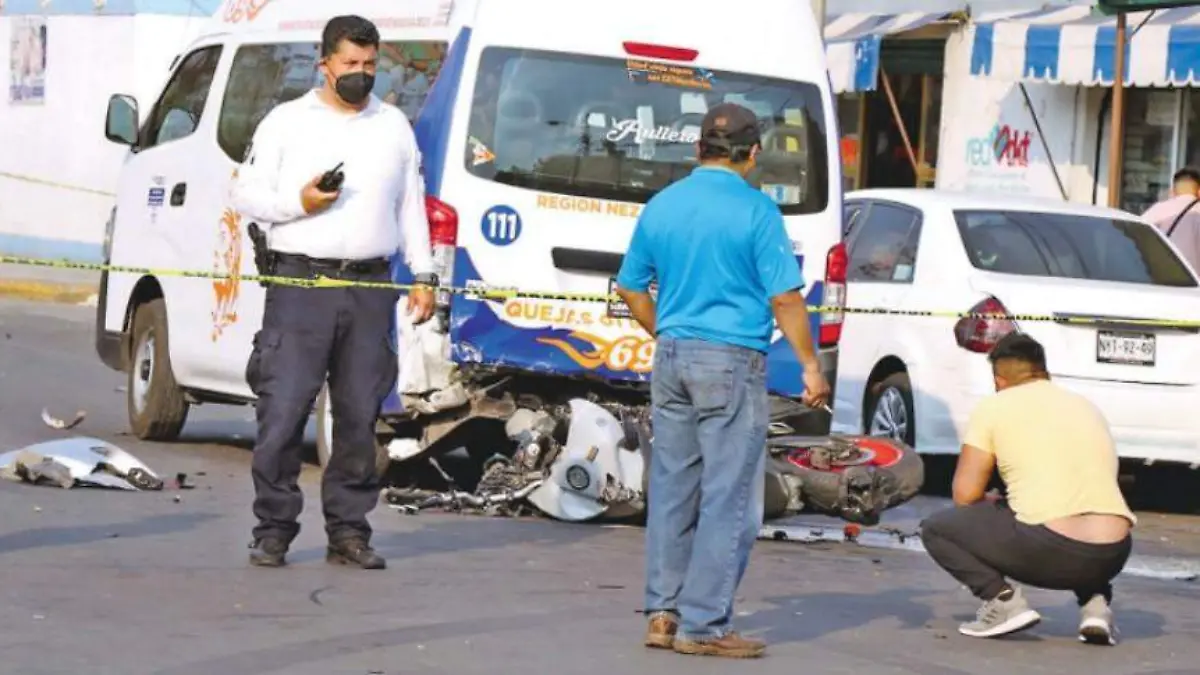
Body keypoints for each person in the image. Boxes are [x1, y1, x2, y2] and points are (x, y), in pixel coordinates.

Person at [615, 102, 832, 659]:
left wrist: (666, 331)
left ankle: (662, 613)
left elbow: (631, 286)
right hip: (731, 361)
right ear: (754, 153)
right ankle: (705, 624)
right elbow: (785, 297)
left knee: (672, 487)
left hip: (673, 357)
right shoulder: (758, 212)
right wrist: (810, 365)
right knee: (730, 496)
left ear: (697, 149)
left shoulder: (662, 205)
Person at [231, 14, 437, 570]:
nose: (361, 74)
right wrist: (299, 203)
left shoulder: (392, 125)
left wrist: (423, 274)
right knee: (284, 409)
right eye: (350, 64)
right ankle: (273, 529)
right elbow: (245, 193)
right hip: (301, 282)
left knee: (357, 416)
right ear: (324, 63)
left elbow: (410, 206)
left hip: (370, 285)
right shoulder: (287, 121)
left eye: (370, 65)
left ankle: (349, 532)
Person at [920, 333, 1135, 645]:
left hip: (1050, 550)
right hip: (1114, 552)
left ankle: (1003, 603)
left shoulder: (994, 407)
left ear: (999, 379)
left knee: (936, 528)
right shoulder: (1085, 406)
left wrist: (990, 500)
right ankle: (1096, 606)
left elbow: (965, 495)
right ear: (1044, 372)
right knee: (1075, 506)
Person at [1143, 167, 1200, 271]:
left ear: (1172, 191)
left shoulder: (1157, 209)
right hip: (1194, 281)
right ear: (1199, 191)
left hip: (1162, 277)